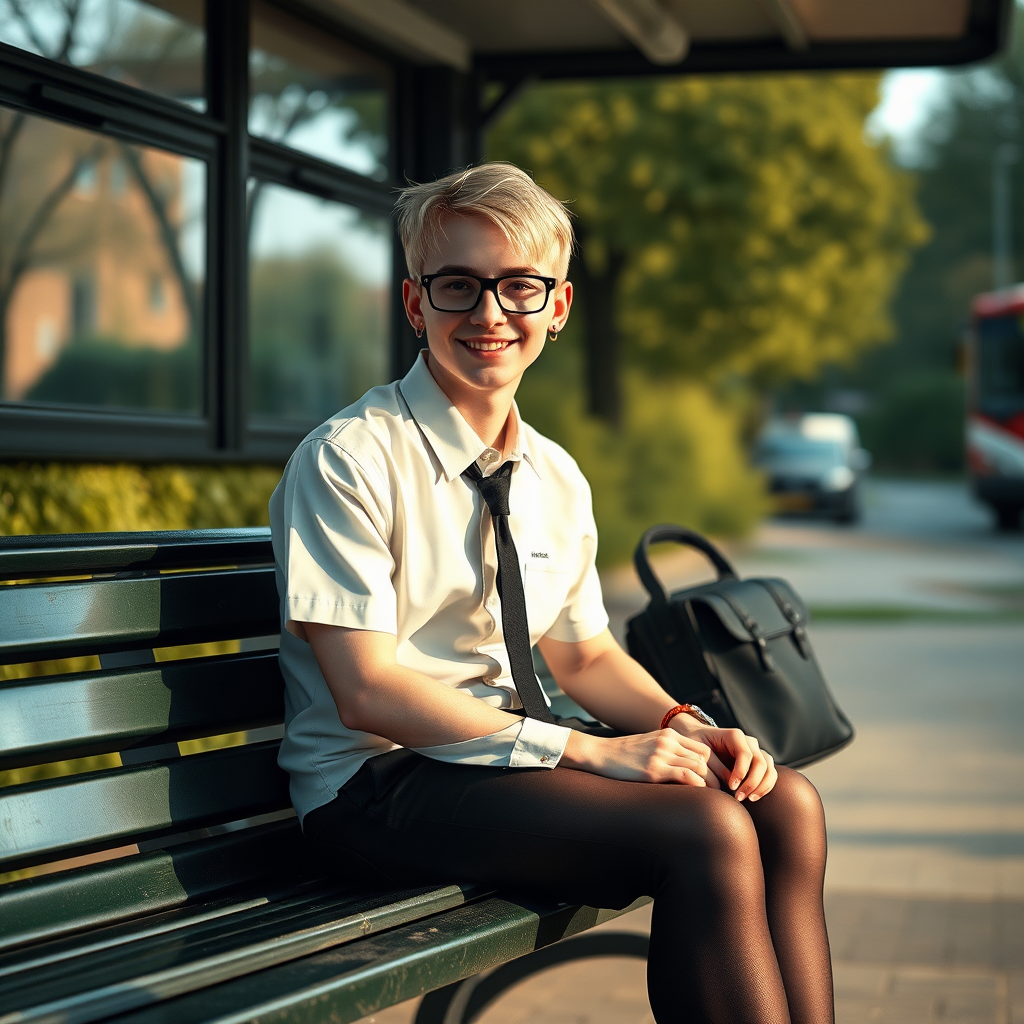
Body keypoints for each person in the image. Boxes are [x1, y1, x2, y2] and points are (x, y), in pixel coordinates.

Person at [269, 162, 833, 1024]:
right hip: (375, 785)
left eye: (518, 288)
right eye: (457, 286)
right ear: (417, 306)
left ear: (557, 308)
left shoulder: (556, 475)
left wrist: (689, 725)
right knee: (704, 832)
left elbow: (584, 654)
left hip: (504, 765)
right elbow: (366, 691)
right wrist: (595, 754)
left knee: (782, 803)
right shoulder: (350, 458)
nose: (488, 314)